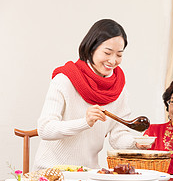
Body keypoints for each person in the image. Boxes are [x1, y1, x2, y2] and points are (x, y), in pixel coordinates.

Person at [34, 19, 141, 170]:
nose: (113, 60)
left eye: (119, 55)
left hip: (88, 173)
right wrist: (84, 121)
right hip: (51, 172)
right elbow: (45, 129)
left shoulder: (118, 88)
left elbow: (118, 135)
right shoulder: (65, 80)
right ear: (91, 48)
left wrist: (136, 144)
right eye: (107, 53)